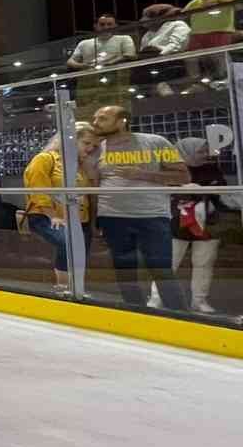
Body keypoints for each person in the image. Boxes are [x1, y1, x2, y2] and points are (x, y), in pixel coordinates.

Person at [86, 104, 188, 310]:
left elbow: (183, 175)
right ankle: (135, 312)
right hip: (112, 218)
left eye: (103, 118)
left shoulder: (156, 142)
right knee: (124, 270)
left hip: (152, 216)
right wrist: (94, 220)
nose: (95, 122)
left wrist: (141, 174)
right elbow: (94, 187)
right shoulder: (96, 150)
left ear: (122, 121)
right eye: (95, 118)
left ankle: (181, 316)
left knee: (161, 268)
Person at [150, 137, 237, 315]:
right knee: (168, 263)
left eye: (206, 151)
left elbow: (221, 195)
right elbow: (158, 193)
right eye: (201, 151)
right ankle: (156, 297)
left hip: (208, 223)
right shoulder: (170, 169)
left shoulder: (213, 169)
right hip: (176, 222)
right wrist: (184, 189)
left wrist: (205, 193)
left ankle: (199, 300)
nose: (205, 155)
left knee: (204, 263)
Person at [22, 123, 96, 295]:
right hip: (45, 216)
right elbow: (38, 189)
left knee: (80, 250)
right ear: (70, 141)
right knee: (68, 243)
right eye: (86, 143)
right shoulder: (45, 159)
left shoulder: (79, 165)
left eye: (93, 146)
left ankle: (76, 287)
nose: (91, 148)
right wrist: (52, 216)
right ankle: (63, 287)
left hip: (78, 218)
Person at [182, 0, 238, 84]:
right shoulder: (194, 2)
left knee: (219, 57)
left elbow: (239, 5)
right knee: (191, 58)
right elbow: (183, 15)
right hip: (197, 35)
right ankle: (195, 81)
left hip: (220, 32)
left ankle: (225, 81)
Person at [131, 3, 190, 97]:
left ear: (159, 16)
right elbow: (143, 51)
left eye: (147, 16)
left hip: (173, 62)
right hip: (151, 67)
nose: (142, 20)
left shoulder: (177, 24)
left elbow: (177, 45)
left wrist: (158, 54)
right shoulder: (147, 34)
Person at [65, 14, 135, 72]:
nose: (106, 27)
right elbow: (70, 61)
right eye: (102, 24)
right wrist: (83, 66)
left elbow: (130, 56)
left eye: (109, 24)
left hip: (117, 81)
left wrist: (109, 63)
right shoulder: (83, 43)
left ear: (115, 26)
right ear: (95, 26)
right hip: (88, 81)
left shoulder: (125, 38)